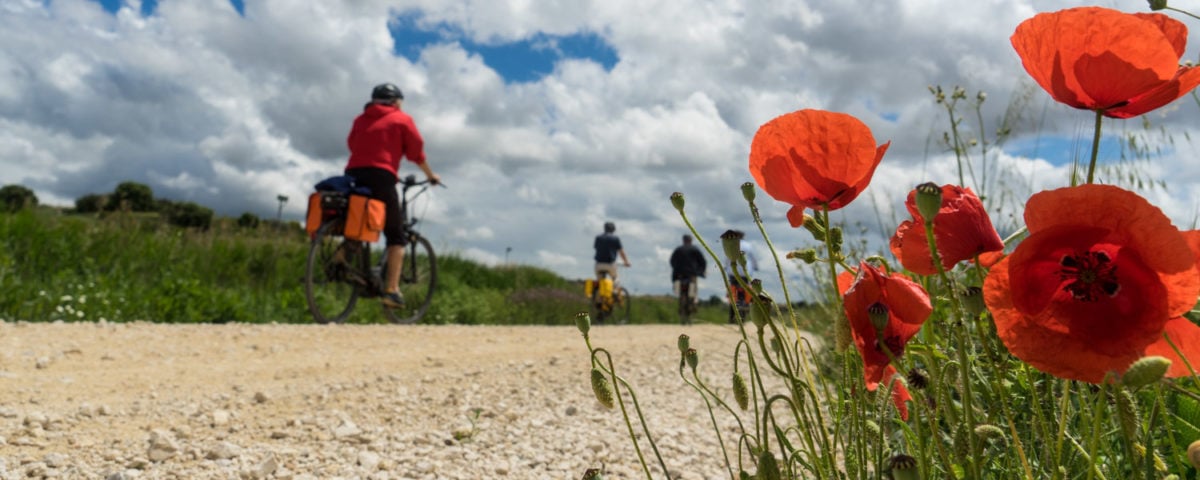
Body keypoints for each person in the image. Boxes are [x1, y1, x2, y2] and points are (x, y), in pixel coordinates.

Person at [344, 83, 441, 308]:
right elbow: (416, 152)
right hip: (382, 175)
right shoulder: (401, 119)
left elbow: (352, 145)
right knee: (396, 236)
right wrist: (431, 175)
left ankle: (341, 260)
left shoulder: (360, 119)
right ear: (396, 101)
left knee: (358, 220)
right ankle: (392, 290)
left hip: (353, 172)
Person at [670, 234, 706, 306]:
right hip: (691, 274)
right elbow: (703, 262)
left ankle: (683, 300)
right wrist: (701, 271)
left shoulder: (678, 250)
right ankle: (694, 302)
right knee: (694, 289)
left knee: (678, 290)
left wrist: (676, 268)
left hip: (679, 274)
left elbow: (672, 261)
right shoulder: (695, 249)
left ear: (683, 240)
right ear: (691, 240)